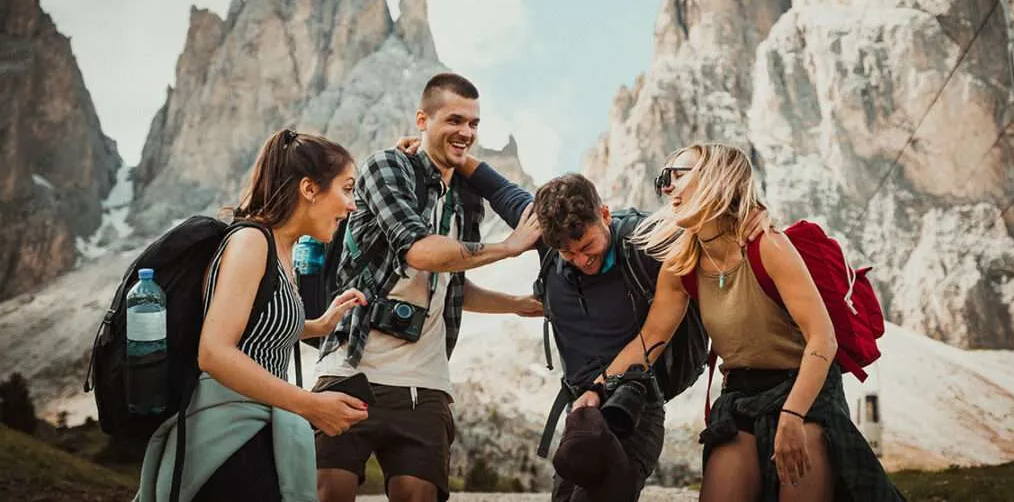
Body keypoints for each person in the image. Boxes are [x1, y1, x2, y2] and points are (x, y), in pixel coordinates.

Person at [397, 145, 768, 502]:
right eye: (567, 253)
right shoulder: (546, 235)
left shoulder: (644, 241)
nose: (580, 260)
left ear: (604, 214)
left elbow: (710, 221)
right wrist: (438, 151)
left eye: (587, 246)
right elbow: (496, 187)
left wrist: (753, 216)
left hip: (633, 407)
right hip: (583, 411)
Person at [601, 142, 906, 502]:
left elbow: (823, 338)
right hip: (740, 396)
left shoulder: (767, 245)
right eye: (662, 179)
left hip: (803, 390)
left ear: (717, 177)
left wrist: (793, 415)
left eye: (676, 176)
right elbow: (651, 336)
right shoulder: (680, 263)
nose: (665, 188)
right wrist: (596, 388)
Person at [312, 72, 544, 502]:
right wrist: (507, 248)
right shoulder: (387, 167)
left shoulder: (466, 197)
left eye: (474, 123)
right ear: (423, 119)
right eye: (455, 120)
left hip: (426, 382)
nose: (467, 132)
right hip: (352, 368)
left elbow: (450, 283)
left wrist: (516, 305)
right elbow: (419, 251)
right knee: (328, 493)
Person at [139, 128, 372, 501]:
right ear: (309, 189)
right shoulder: (251, 241)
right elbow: (214, 353)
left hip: (259, 428)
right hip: (226, 438)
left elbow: (255, 329)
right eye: (346, 188)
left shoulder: (281, 250)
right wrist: (311, 405)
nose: (352, 204)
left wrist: (316, 324)